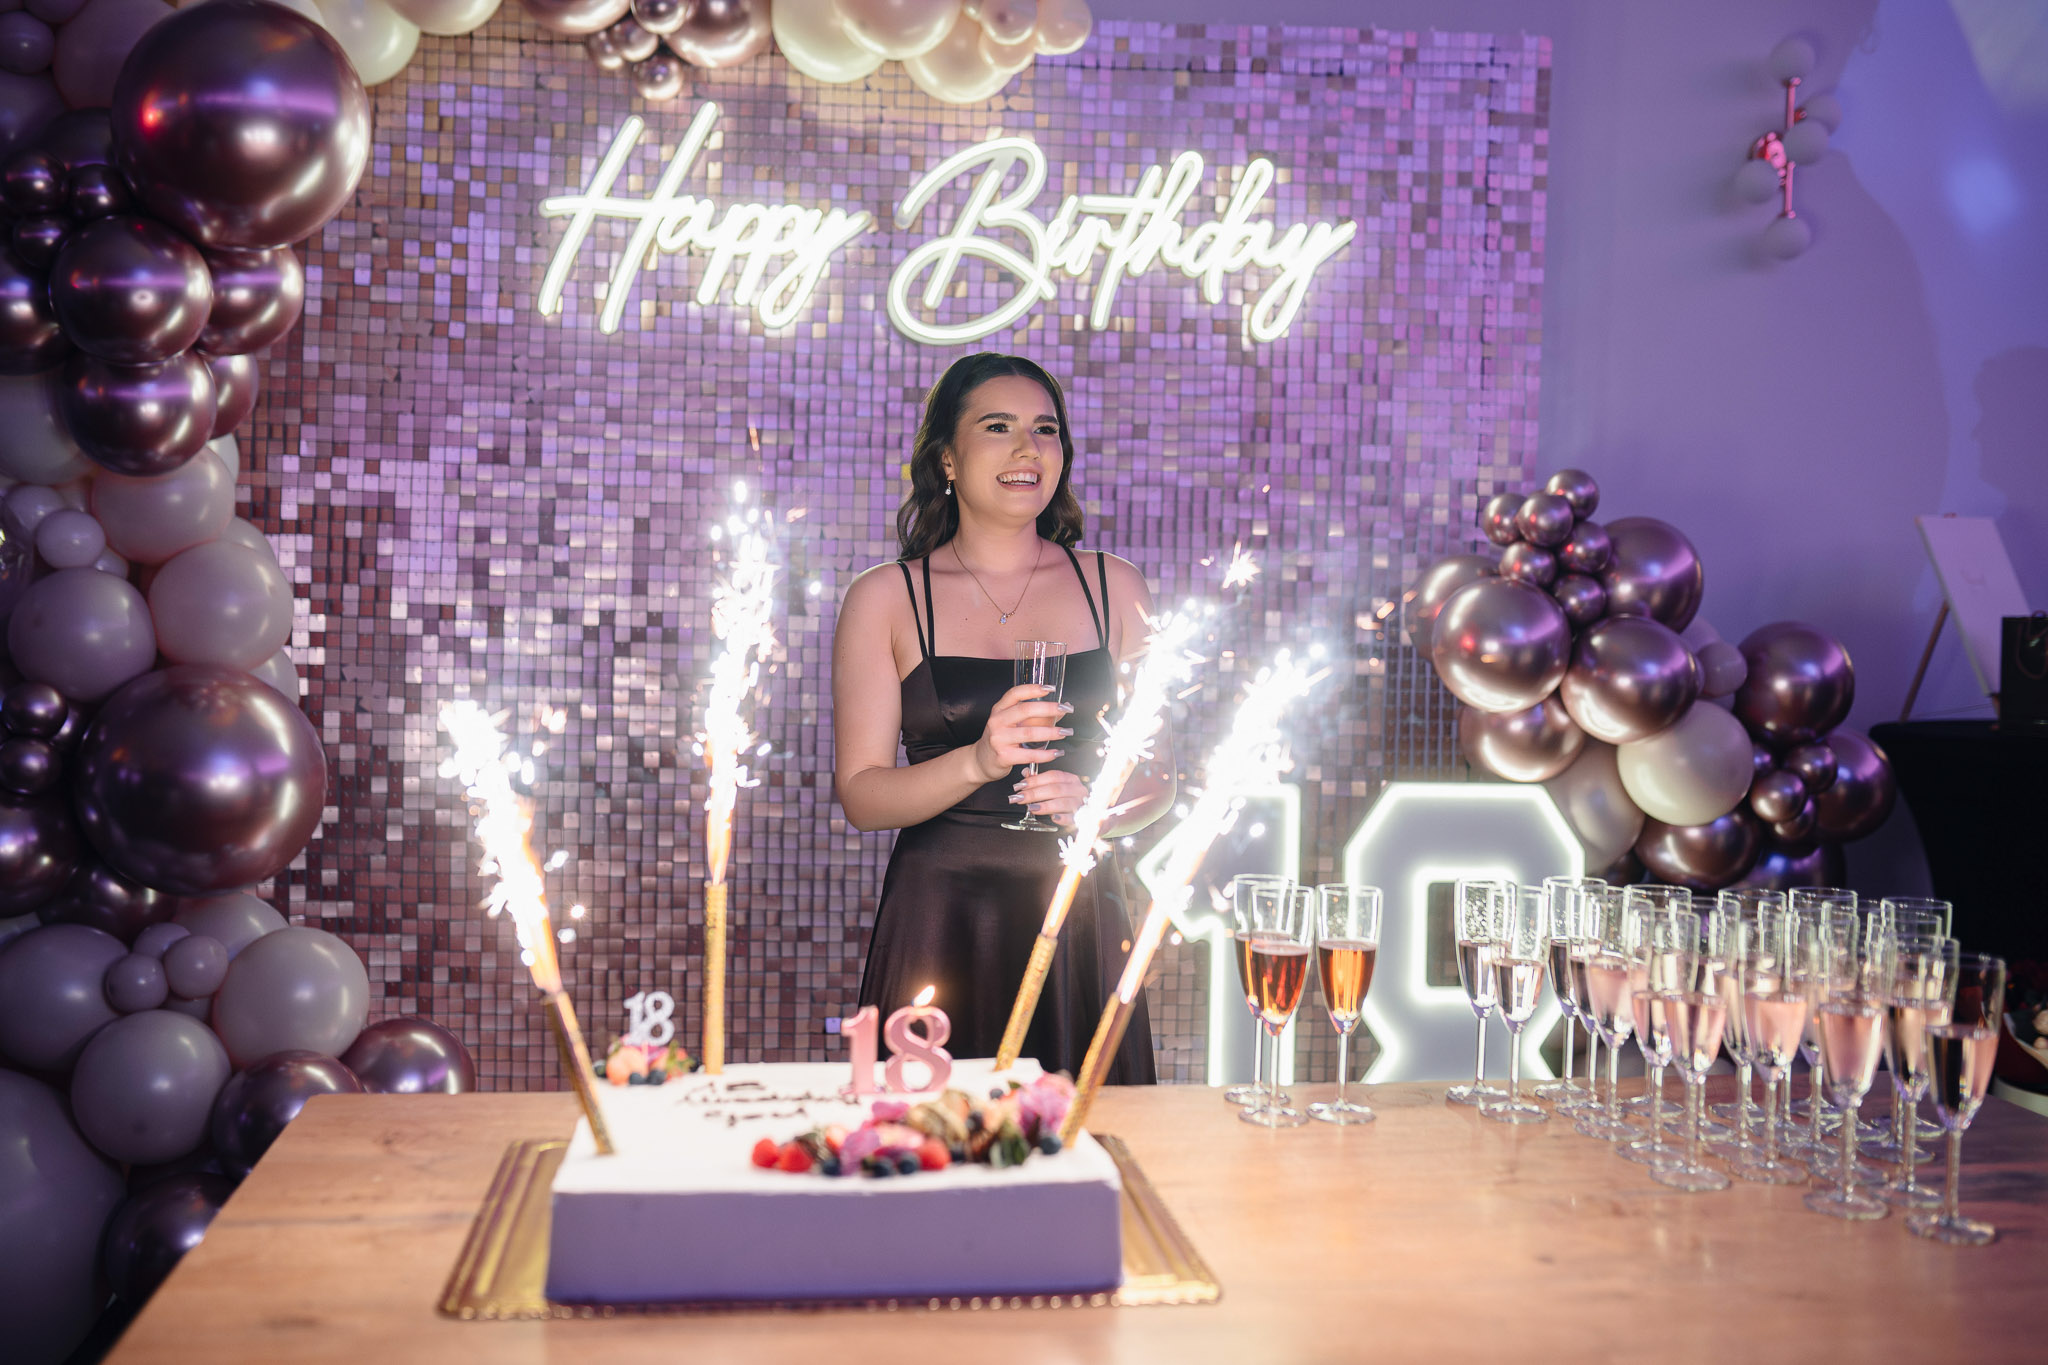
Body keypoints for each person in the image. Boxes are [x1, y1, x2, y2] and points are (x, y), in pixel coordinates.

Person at [832, 353, 1172, 1082]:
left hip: (1079, 912)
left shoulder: (1117, 587)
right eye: (998, 427)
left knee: (1086, 1136)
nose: (1028, 449)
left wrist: (1099, 809)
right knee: (927, 1138)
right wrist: (978, 762)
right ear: (947, 459)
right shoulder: (885, 598)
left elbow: (1159, 779)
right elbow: (862, 796)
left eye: (1045, 430)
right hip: (938, 917)